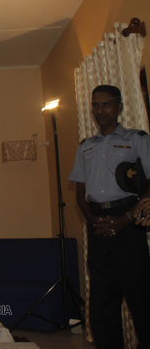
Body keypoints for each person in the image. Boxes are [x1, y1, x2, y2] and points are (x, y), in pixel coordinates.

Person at [68, 85, 150, 349]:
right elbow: (80, 190)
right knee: (102, 300)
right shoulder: (86, 146)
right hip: (98, 224)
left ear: (119, 107)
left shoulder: (137, 139)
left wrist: (127, 218)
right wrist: (93, 221)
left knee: (140, 295)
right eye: (95, 105)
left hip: (129, 221)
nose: (100, 110)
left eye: (106, 104)